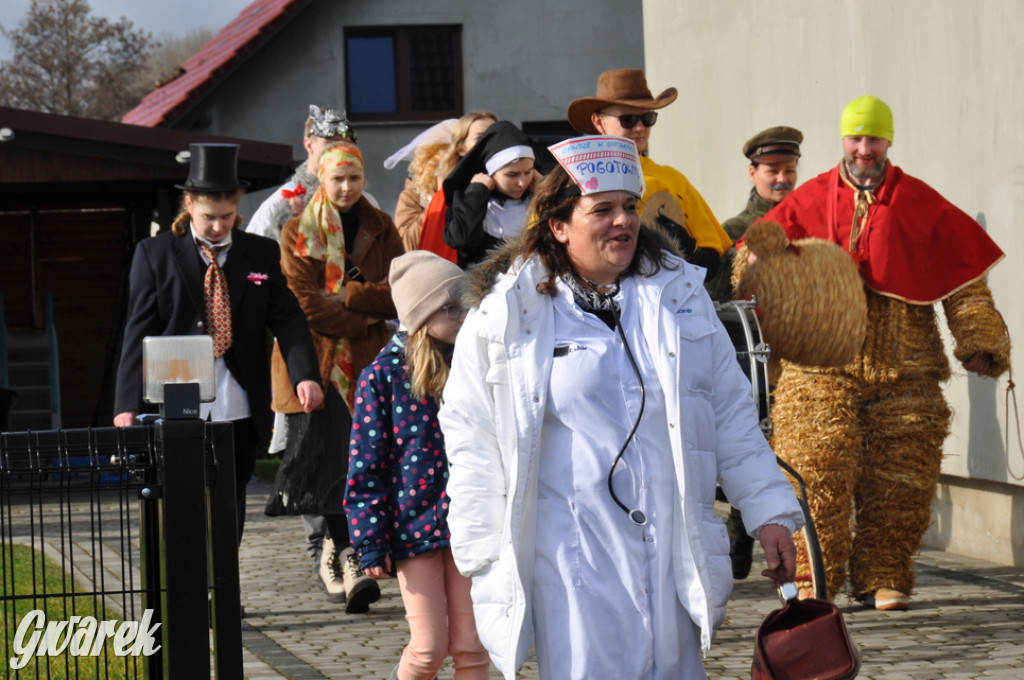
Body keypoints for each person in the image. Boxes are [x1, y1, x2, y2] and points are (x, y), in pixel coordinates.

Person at [438, 135, 804, 680]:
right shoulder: (507, 319)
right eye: (602, 209)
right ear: (558, 225)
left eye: (630, 206)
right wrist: (482, 554)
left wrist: (769, 512)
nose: (623, 221)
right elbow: (472, 441)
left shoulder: (681, 300)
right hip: (570, 558)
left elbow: (728, 414)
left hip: (669, 546)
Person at [748, 95, 1011, 609]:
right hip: (819, 365)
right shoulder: (809, 200)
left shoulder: (920, 203)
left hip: (906, 365)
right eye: (855, 137)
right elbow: (754, 264)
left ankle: (883, 575)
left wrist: (979, 340)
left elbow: (965, 283)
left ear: (888, 140)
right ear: (843, 140)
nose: (863, 148)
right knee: (813, 469)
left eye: (873, 138)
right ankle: (812, 579)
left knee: (900, 480)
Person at [113, 143, 323, 548]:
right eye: (209, 217)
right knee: (182, 497)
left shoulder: (260, 252)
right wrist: (127, 403)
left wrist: (305, 375)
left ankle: (224, 595)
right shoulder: (154, 254)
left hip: (238, 398)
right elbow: (137, 330)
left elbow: (289, 318)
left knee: (230, 496)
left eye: (226, 217)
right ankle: (189, 590)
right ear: (189, 205)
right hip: (174, 395)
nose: (217, 226)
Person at [264, 141, 405, 612]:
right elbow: (303, 305)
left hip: (368, 365)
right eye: (337, 179)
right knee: (326, 461)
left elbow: (396, 293)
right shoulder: (294, 232)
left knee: (362, 462)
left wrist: (353, 296)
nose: (346, 188)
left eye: (354, 179)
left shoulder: (381, 227)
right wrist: (363, 318)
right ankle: (347, 554)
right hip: (315, 363)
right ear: (320, 181)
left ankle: (344, 551)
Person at [346, 250, 490, 680]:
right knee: (429, 648)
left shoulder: (475, 366)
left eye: (465, 302)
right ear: (420, 315)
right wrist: (371, 538)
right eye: (450, 306)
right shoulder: (383, 378)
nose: (462, 314)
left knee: (472, 647)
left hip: (470, 526)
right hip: (413, 529)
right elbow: (365, 467)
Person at [566, 69, 732, 279]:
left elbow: (712, 265)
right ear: (599, 122)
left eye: (647, 118)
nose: (640, 127)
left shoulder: (673, 180)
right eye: (628, 119)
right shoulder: (571, 179)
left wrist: (686, 247)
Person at [246, 105, 376, 242]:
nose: (338, 150)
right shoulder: (279, 204)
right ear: (309, 145)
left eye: (346, 144)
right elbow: (255, 258)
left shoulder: (367, 204)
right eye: (330, 142)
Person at [706, 126, 803, 303]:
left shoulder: (807, 226)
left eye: (789, 170)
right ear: (753, 173)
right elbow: (716, 303)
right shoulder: (733, 231)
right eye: (772, 171)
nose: (782, 179)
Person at [388, 111, 498, 252]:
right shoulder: (415, 193)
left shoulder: (497, 182)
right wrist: (438, 202)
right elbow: (406, 244)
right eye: (480, 139)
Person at [442, 120, 537, 269]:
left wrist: (547, 187)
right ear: (490, 173)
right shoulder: (470, 200)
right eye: (512, 175)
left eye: (528, 172)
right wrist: (476, 194)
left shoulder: (536, 199)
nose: (522, 183)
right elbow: (461, 239)